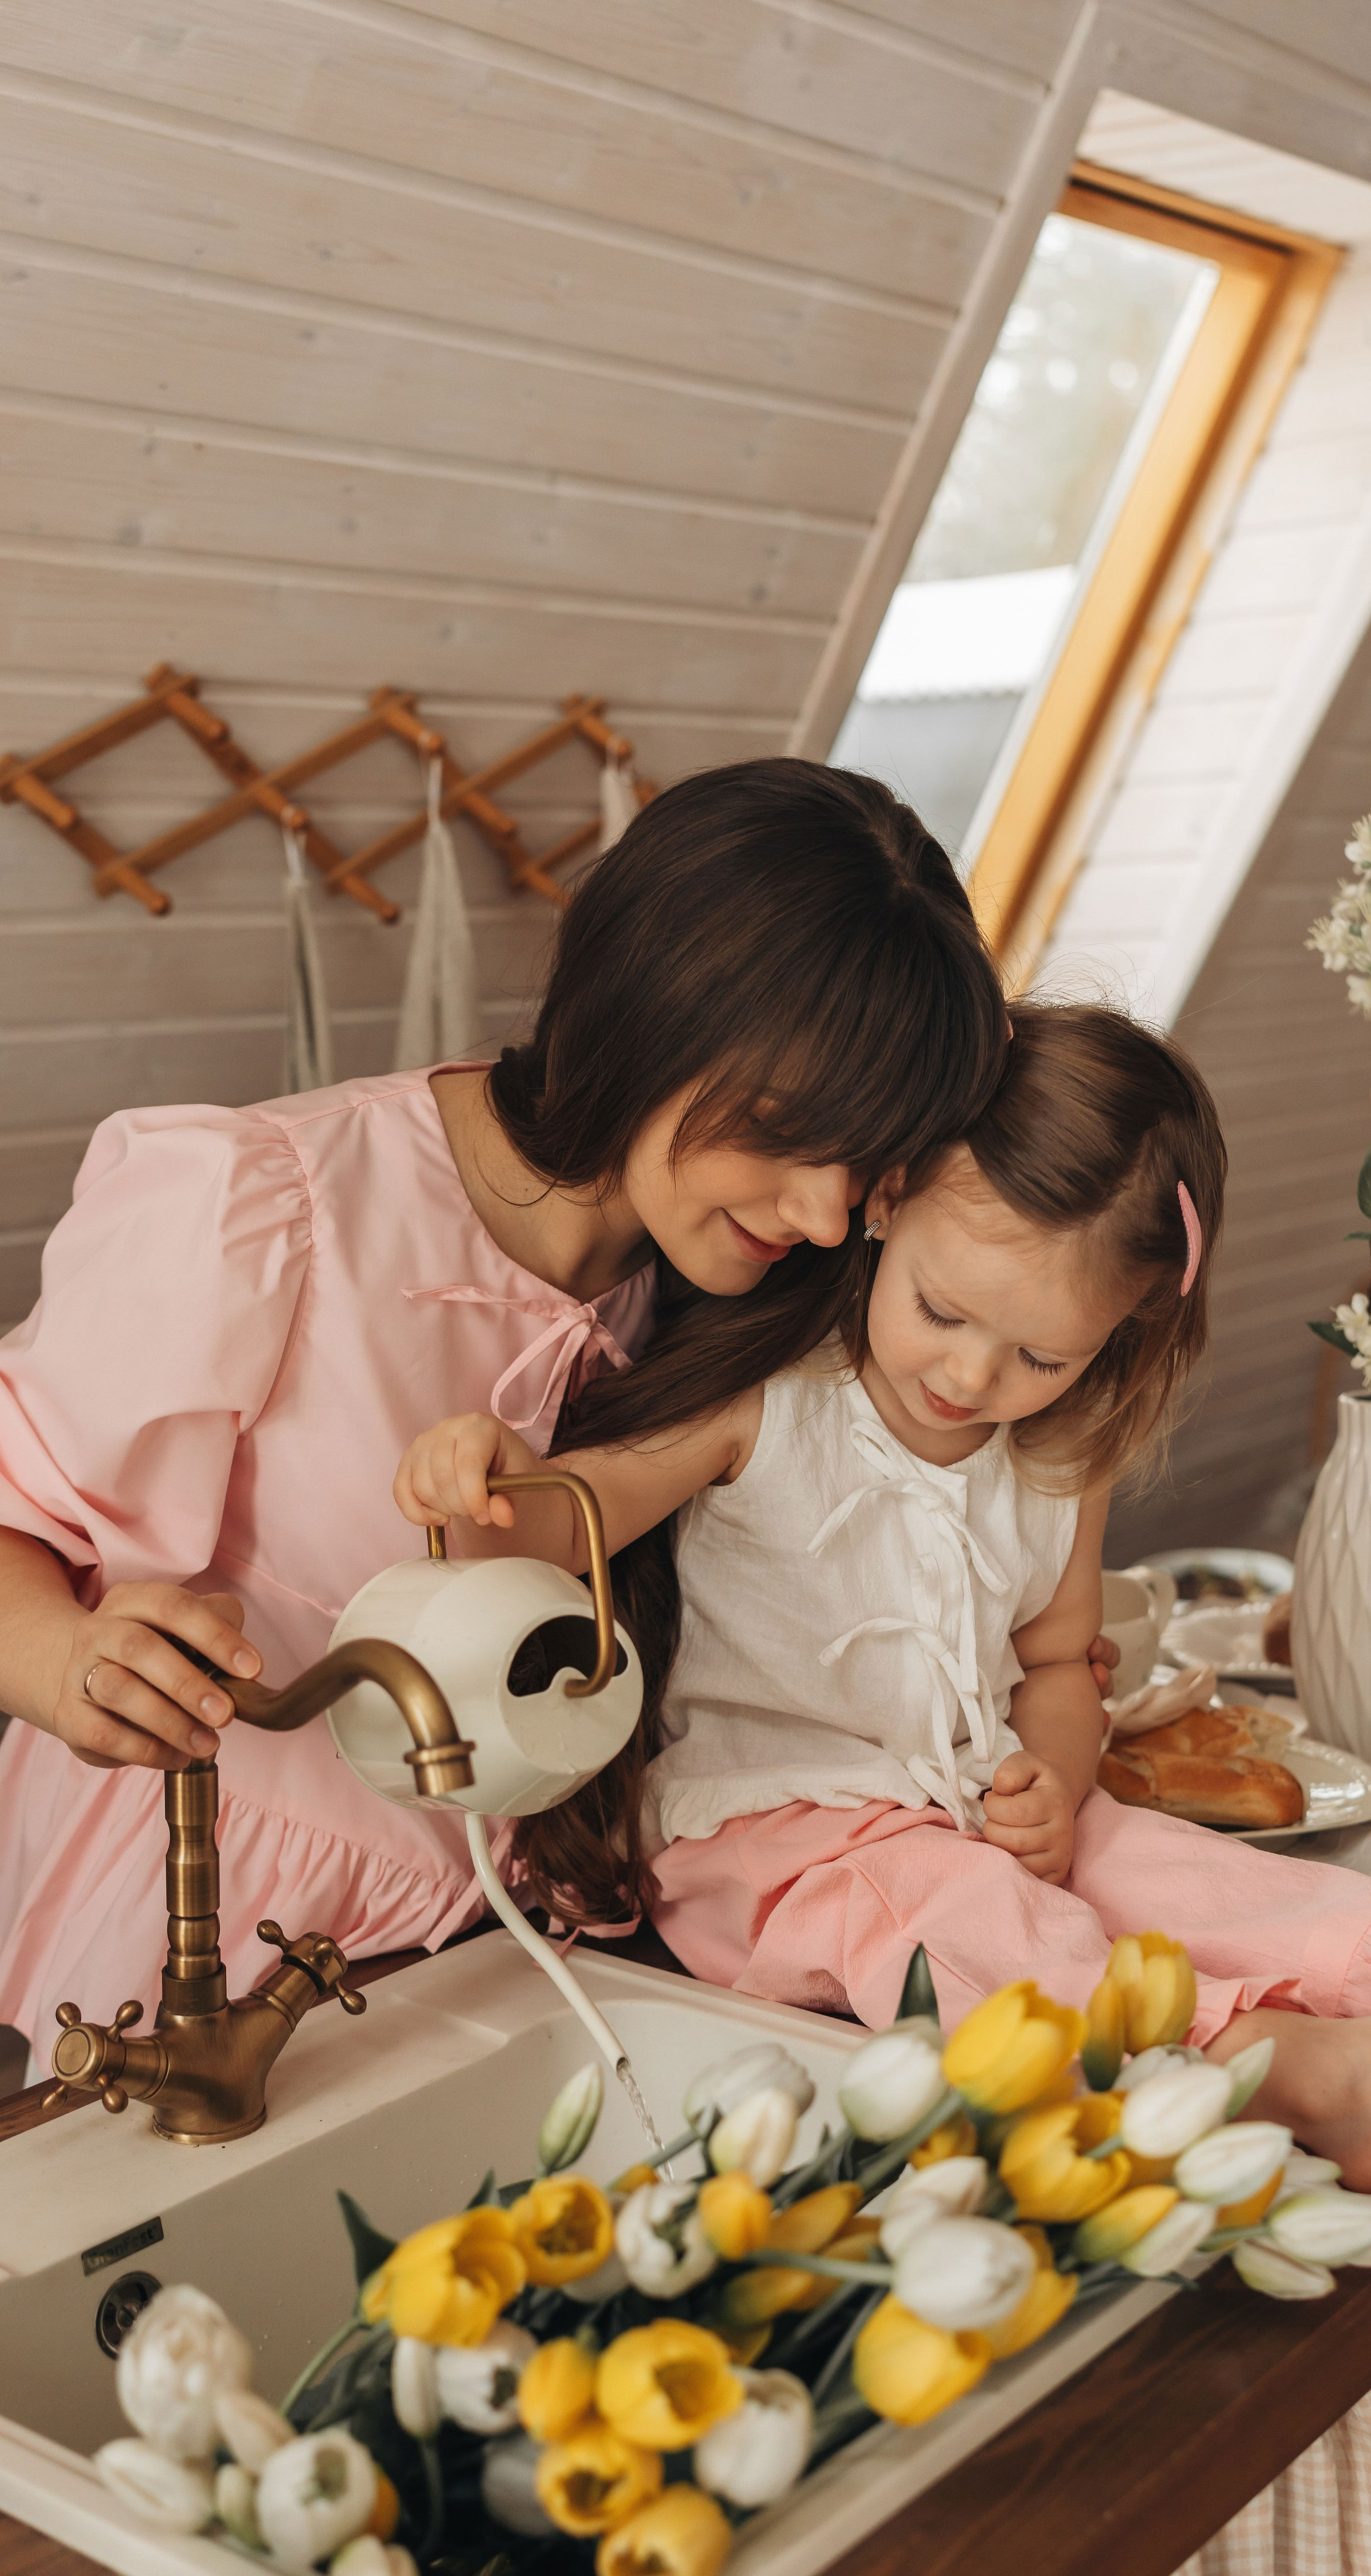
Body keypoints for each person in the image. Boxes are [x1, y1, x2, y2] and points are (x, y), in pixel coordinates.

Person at [399, 1004, 1371, 2190]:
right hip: (765, 1850)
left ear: (1122, 1330)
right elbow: (569, 1519)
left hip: (970, 1802)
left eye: (1039, 1355)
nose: (972, 1378)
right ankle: (1303, 2078)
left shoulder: (1056, 1458)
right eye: (942, 1312)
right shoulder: (771, 1405)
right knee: (977, 1919)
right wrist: (484, 1476)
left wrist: (1055, 1768)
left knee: (1162, 1863)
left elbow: (1055, 1661)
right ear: (885, 1204)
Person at [0, 760, 1013, 2072]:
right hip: (189, 1924)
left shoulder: (751, 1298)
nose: (825, 1216)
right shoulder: (264, 1205)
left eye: (864, 1160)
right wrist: (62, 1663)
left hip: (514, 1957)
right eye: (784, 1133)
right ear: (649, 1014)